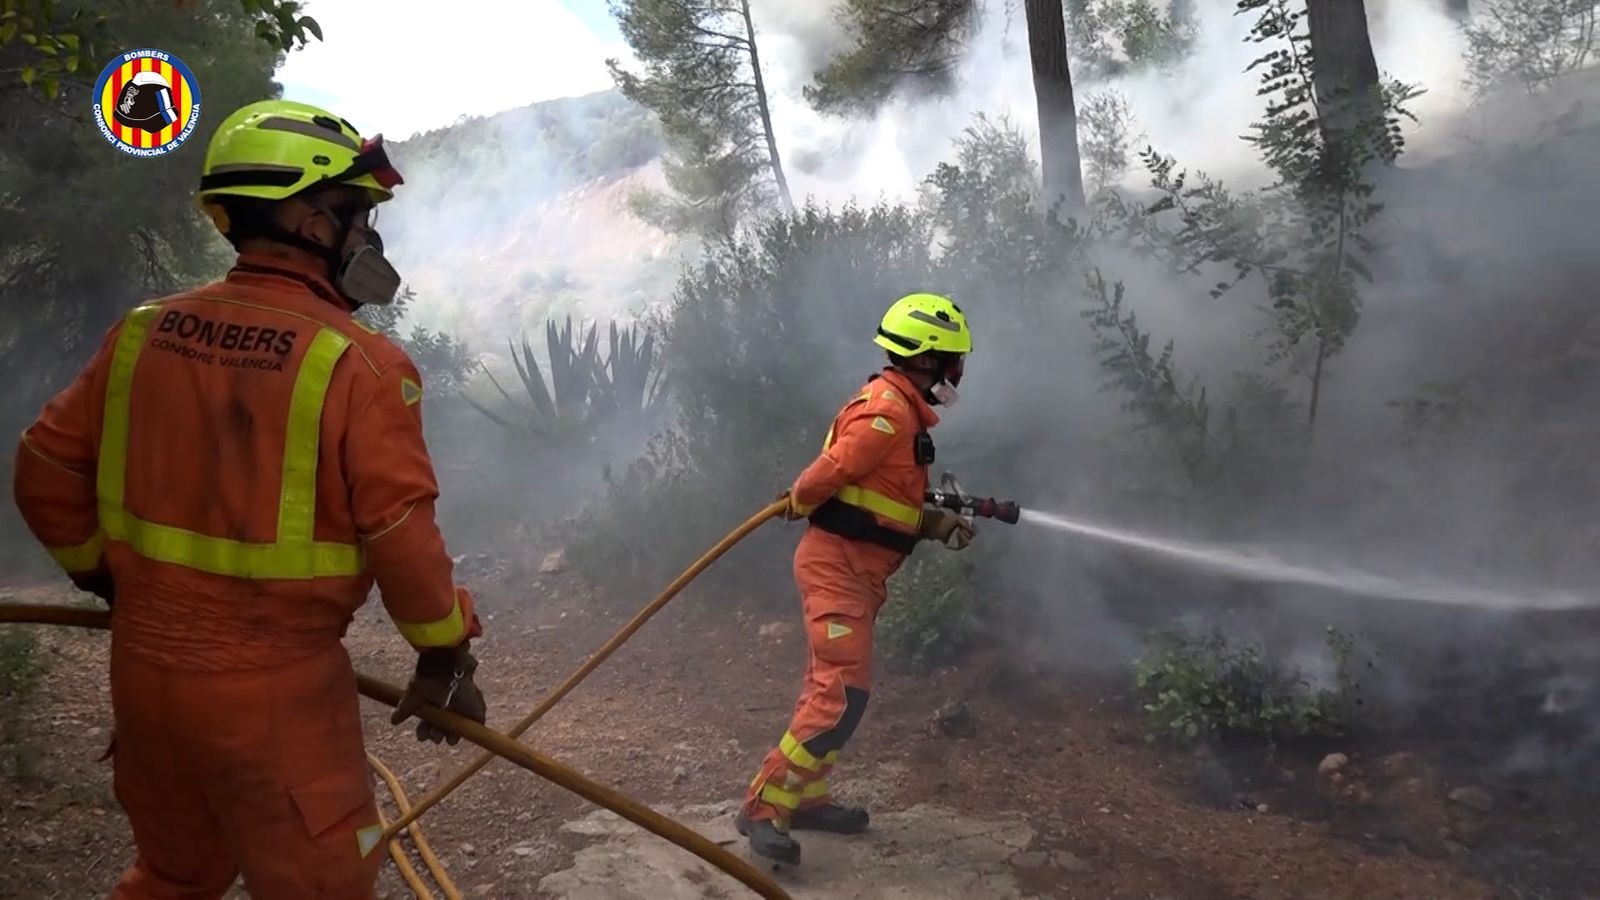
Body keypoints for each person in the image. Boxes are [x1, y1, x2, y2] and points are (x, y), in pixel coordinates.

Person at [12, 99, 488, 900]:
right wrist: (445, 655)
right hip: (277, 700)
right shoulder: (361, 365)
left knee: (173, 875)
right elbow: (403, 540)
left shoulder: (142, 332)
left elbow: (41, 470)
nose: (366, 238)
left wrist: (109, 579)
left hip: (146, 683)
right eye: (355, 215)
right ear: (307, 220)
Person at [735, 292, 977, 865]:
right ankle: (763, 806)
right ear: (928, 358)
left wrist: (933, 522)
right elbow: (835, 471)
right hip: (837, 568)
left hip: (857, 571)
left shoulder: (898, 408)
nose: (959, 373)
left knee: (833, 688)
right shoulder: (888, 412)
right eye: (954, 361)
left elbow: (878, 499)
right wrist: (800, 497)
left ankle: (808, 797)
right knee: (841, 695)